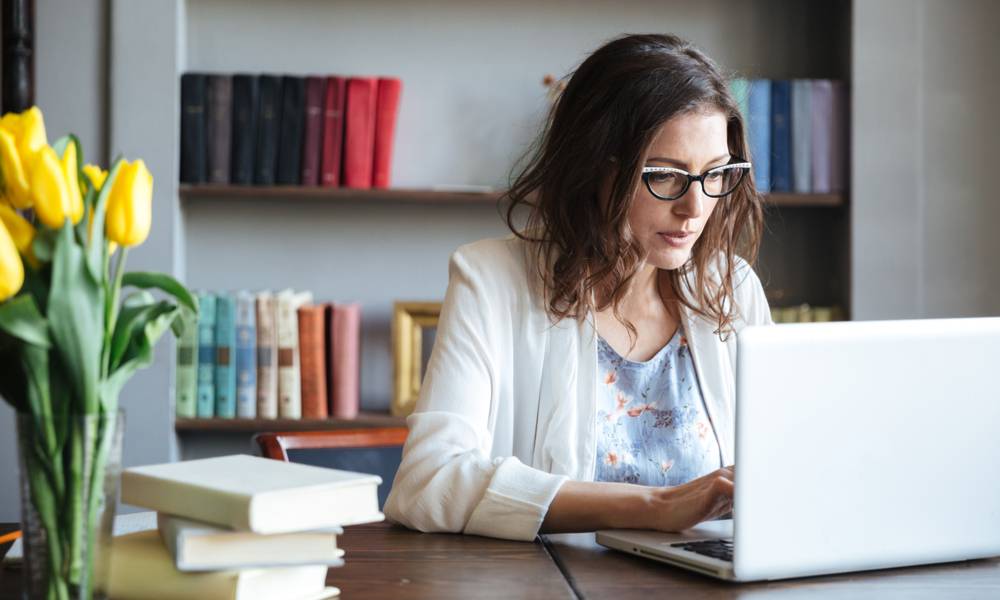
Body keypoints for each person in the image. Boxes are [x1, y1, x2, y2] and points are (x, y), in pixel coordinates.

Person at [384, 33, 771, 541]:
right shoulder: (491, 280)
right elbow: (428, 482)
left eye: (716, 175)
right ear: (595, 169)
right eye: (664, 176)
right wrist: (657, 505)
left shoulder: (732, 287)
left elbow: (781, 468)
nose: (694, 208)